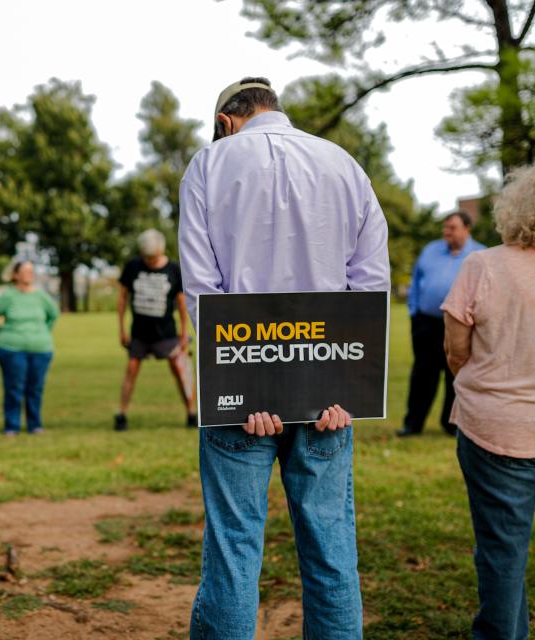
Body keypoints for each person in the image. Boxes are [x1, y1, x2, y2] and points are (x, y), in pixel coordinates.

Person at [178, 78, 389, 639]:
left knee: (233, 554)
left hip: (240, 402)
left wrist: (246, 386)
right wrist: (348, 391)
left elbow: (202, 289)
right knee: (332, 553)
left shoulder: (209, 165)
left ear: (226, 121)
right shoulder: (345, 165)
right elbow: (369, 289)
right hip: (331, 398)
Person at [443, 159, 535, 639]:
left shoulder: (484, 266)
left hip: (498, 431)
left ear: (521, 204)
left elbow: (456, 353)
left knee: (502, 551)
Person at [398, 211, 484, 437]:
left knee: (455, 376)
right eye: (445, 227)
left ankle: (452, 425)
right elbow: (415, 282)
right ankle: (412, 424)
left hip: (461, 326)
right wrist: (414, 312)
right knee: (422, 376)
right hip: (426, 324)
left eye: (452, 228)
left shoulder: (480, 255)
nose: (447, 232)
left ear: (467, 228)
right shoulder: (430, 250)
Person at [114, 229, 196, 431]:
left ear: (161, 250)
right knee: (131, 371)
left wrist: (184, 334)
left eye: (153, 257)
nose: (149, 261)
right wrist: (121, 329)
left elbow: (181, 302)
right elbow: (123, 297)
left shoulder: (174, 269)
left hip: (166, 333)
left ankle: (192, 412)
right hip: (140, 333)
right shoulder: (133, 266)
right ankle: (122, 414)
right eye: (146, 257)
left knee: (179, 369)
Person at [0, 260, 60, 436]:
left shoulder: (41, 296)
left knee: (35, 389)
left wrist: (43, 332)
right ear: (16, 275)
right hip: (12, 349)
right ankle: (12, 426)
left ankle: (35, 425)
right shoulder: (8, 296)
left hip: (41, 350)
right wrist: (0, 330)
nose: (29, 274)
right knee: (14, 389)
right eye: (25, 271)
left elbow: (53, 314)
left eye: (31, 271)